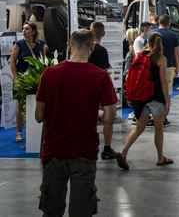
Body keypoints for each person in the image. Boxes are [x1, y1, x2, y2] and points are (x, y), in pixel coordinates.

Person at [35, 29, 117, 216]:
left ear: (69, 46)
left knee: (51, 211)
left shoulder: (49, 73)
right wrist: (96, 113)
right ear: (92, 47)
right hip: (84, 153)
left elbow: (39, 116)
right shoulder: (101, 77)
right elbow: (110, 118)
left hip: (53, 152)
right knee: (81, 212)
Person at [117, 31, 173, 170]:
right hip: (155, 97)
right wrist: (167, 100)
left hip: (140, 97)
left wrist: (131, 96)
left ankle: (123, 152)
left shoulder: (140, 56)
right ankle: (160, 158)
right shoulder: (161, 59)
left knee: (139, 127)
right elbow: (163, 82)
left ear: (147, 41)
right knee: (158, 129)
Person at [10, 20, 48, 143]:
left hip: (37, 79)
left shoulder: (41, 44)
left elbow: (43, 61)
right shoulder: (19, 44)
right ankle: (19, 132)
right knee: (22, 105)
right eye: (23, 29)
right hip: (22, 78)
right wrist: (16, 77)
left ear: (33, 31)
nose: (24, 31)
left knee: (40, 104)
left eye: (27, 29)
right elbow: (12, 61)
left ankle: (37, 130)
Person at [85, 22, 117, 159]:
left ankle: (86, 147)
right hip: (99, 89)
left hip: (85, 88)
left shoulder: (84, 50)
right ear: (103, 33)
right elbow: (104, 72)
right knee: (108, 119)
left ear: (90, 32)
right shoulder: (102, 51)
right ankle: (107, 149)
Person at [148, 14, 179, 128]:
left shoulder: (151, 33)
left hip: (151, 66)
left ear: (158, 22)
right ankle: (163, 117)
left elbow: (144, 50)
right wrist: (177, 67)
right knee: (166, 90)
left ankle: (152, 116)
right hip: (168, 66)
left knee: (151, 89)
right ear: (169, 23)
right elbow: (177, 53)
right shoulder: (173, 35)